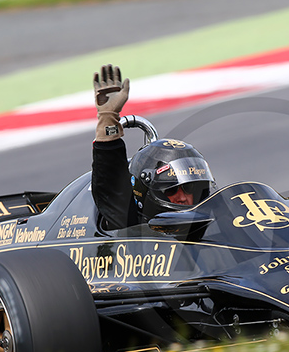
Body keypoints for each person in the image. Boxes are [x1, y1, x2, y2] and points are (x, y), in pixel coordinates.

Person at [91, 64, 215, 230]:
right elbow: (111, 183)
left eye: (189, 187)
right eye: (171, 190)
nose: (182, 198)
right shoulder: (132, 228)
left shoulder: (214, 225)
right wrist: (108, 118)